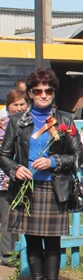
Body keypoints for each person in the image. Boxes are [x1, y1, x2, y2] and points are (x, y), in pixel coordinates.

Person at [0, 69, 83, 280]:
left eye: (48, 90)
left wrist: (54, 161)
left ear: (54, 93)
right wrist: (15, 168)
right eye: (38, 90)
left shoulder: (65, 120)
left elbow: (79, 156)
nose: (43, 94)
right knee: (33, 242)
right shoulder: (18, 121)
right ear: (30, 93)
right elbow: (4, 155)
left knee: (53, 242)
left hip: (53, 188)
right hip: (26, 189)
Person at [0, 89, 28, 266]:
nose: (18, 108)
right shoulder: (2, 125)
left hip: (25, 176)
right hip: (4, 178)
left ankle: (20, 252)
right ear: (8, 107)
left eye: (22, 104)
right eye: (15, 104)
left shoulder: (30, 124)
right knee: (7, 218)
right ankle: (7, 255)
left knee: (20, 216)